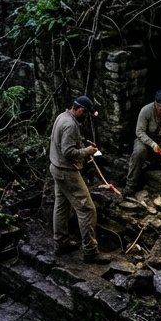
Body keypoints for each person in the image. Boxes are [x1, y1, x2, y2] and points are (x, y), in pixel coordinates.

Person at [49, 95, 108, 263]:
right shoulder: (69, 125)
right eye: (86, 114)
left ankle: (61, 243)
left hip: (56, 168)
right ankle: (90, 251)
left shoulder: (63, 116)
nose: (86, 118)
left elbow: (62, 144)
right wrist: (86, 152)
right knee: (87, 209)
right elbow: (68, 151)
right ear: (80, 110)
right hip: (66, 172)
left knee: (61, 205)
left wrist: (82, 145)